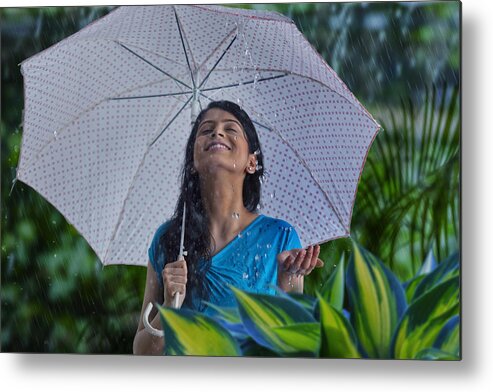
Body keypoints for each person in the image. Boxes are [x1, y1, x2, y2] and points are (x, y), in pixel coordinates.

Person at [133, 100, 323, 355]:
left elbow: (292, 349)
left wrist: (290, 278)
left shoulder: (280, 237)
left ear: (252, 163)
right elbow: (142, 353)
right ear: (193, 162)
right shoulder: (168, 239)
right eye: (206, 129)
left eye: (230, 129)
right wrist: (169, 307)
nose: (217, 132)